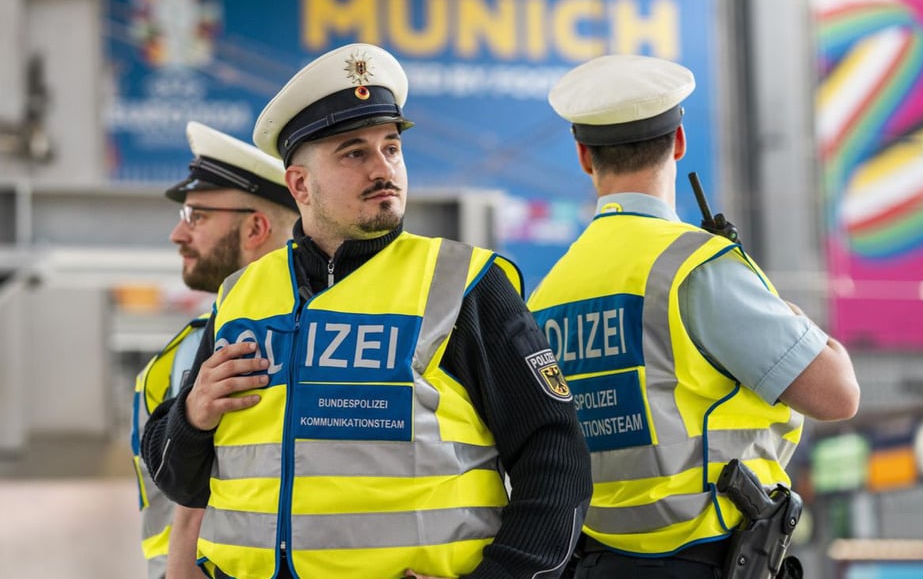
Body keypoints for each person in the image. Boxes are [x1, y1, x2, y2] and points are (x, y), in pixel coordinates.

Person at [140, 42, 592, 579]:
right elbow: (178, 481)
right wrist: (193, 418)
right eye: (354, 153)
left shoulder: (464, 284)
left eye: (391, 148)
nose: (383, 169)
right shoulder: (242, 295)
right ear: (300, 184)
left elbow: (555, 458)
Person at [527, 54, 860, 579]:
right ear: (679, 142)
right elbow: (837, 394)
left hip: (595, 563)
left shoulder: (549, 291)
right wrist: (787, 310)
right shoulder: (697, 268)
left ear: (584, 156)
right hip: (708, 559)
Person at [131, 121, 298, 579]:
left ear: (256, 228)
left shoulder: (233, 352)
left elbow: (193, 513)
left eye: (196, 218)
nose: (178, 236)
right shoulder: (187, 355)